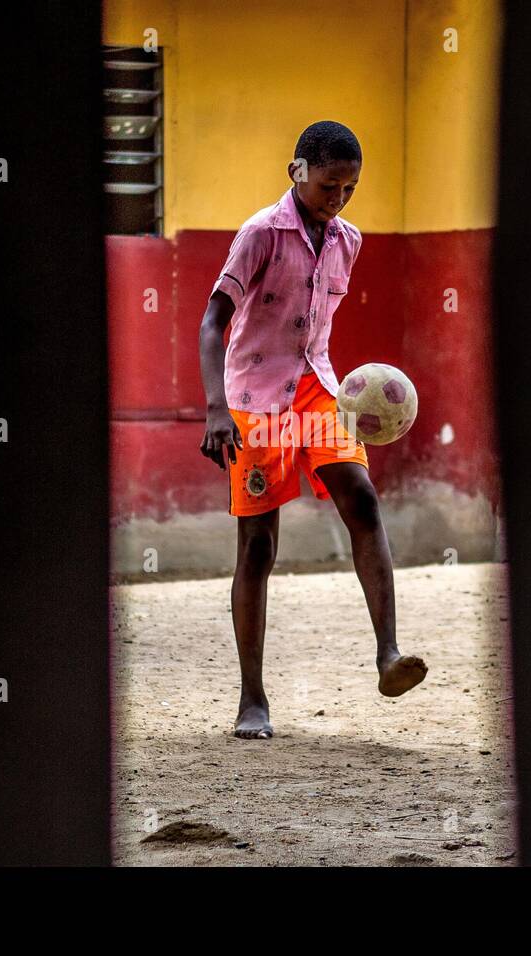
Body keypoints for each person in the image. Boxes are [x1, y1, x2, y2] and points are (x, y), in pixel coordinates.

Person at [197, 120, 428, 740]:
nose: (340, 198)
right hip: (253, 396)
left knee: (363, 500)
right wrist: (217, 408)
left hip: (319, 389)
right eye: (330, 184)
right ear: (296, 171)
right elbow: (213, 322)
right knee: (259, 547)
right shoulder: (260, 234)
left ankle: (388, 653)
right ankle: (253, 700)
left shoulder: (348, 240)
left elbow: (313, 334)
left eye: (350, 187)